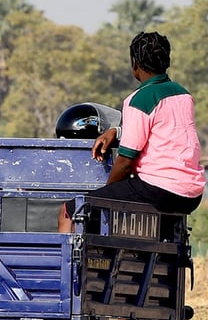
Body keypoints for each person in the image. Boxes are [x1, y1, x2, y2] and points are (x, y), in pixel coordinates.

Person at [57, 31, 205, 232]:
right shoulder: (183, 95)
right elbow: (161, 128)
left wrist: (106, 196)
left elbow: (126, 163)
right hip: (191, 194)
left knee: (71, 211)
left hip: (159, 189)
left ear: (135, 63)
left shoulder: (139, 100)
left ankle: (70, 253)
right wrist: (117, 132)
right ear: (167, 61)